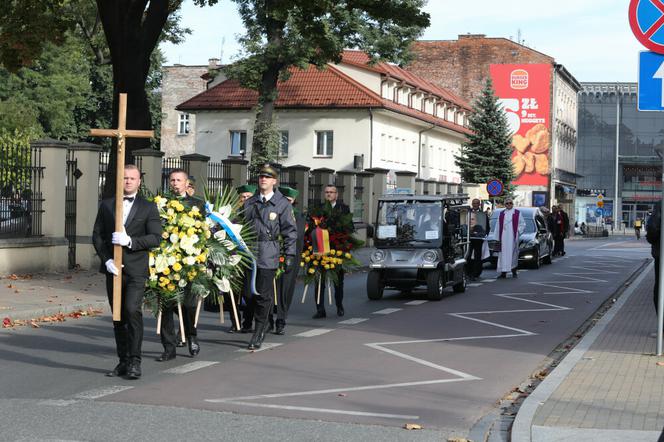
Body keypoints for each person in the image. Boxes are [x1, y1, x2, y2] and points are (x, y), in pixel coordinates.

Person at [92, 164, 161, 379]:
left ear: (139, 182)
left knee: (132, 310)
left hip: (136, 269)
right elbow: (98, 236)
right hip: (114, 269)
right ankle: (123, 360)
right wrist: (107, 260)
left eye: (132, 178)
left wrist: (130, 241)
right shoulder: (107, 205)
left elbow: (155, 238)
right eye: (125, 178)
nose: (128, 181)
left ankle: (135, 361)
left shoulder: (148, 207)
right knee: (118, 316)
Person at [243, 165, 297, 350]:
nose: (263, 179)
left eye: (268, 177)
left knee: (262, 295)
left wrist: (289, 254)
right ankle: (265, 321)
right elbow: (238, 222)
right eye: (261, 177)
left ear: (274, 181)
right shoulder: (250, 202)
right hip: (250, 252)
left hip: (269, 252)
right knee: (249, 294)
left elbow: (290, 231)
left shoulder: (282, 204)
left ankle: (258, 332)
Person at [157, 169, 206, 361]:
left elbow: (203, 231)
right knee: (167, 304)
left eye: (179, 180)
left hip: (189, 261)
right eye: (172, 180)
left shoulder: (198, 204)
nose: (175, 183)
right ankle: (169, 348)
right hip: (167, 260)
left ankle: (191, 335)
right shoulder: (163, 204)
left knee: (188, 304)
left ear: (187, 184)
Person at [272, 186, 306, 335]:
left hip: (289, 257)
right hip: (271, 256)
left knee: (285, 289)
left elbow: (295, 236)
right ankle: (267, 320)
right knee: (269, 290)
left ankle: (281, 319)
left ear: (293, 201)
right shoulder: (272, 211)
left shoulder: (297, 215)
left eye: (289, 200)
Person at [313, 185, 350, 318]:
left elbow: (348, 227)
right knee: (319, 280)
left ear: (336, 195)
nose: (329, 194)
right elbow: (312, 226)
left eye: (331, 192)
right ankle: (320, 309)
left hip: (336, 249)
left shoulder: (343, 208)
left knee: (338, 281)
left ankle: (339, 306)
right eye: (327, 192)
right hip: (320, 249)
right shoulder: (319, 209)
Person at [496, 198, 525, 279]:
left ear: (512, 204)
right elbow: (498, 226)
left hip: (512, 237)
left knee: (513, 254)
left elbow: (522, 224)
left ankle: (514, 271)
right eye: (507, 203)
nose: (509, 204)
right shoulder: (502, 214)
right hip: (503, 237)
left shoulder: (517, 213)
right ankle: (503, 272)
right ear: (505, 205)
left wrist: (517, 232)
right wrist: (497, 237)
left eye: (510, 203)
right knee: (502, 255)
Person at [467, 198, 489, 281]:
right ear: (472, 204)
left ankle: (476, 273)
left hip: (478, 239)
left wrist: (484, 235)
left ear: (479, 204)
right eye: (474, 203)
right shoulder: (468, 213)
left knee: (477, 256)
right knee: (468, 255)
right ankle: (468, 272)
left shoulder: (483, 214)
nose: (475, 205)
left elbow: (486, 227)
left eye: (476, 203)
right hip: (469, 238)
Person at [647, 203, 661, 315]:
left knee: (660, 286)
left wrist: (654, 241)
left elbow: (652, 228)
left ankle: (662, 325)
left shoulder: (660, 205)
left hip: (661, 253)